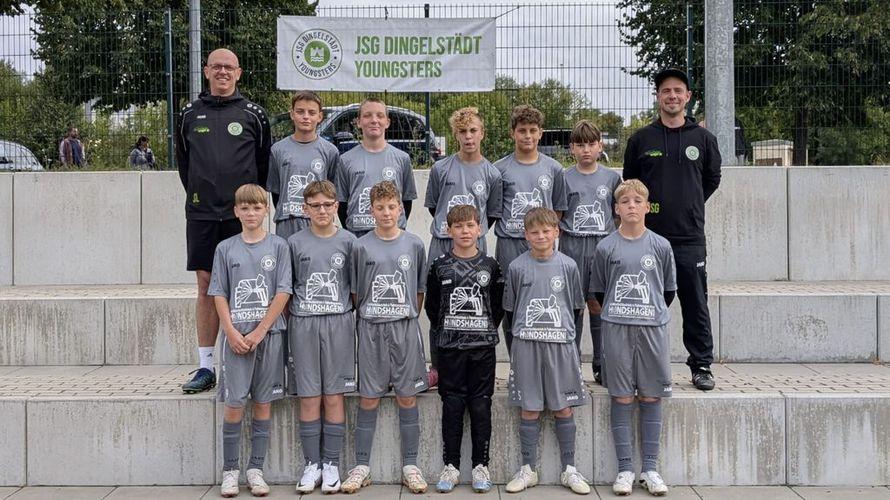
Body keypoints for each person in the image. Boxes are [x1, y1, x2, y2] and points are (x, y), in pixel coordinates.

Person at [176, 47, 272, 394]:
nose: (222, 72)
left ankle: (251, 361)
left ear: (239, 73)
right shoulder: (189, 114)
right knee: (206, 285)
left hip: (243, 216)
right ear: (206, 71)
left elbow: (262, 166)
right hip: (202, 213)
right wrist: (203, 194)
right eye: (216, 66)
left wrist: (248, 206)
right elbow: (184, 165)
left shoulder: (254, 115)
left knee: (248, 282)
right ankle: (206, 367)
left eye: (229, 67)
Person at [623, 68, 721, 391]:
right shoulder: (641, 140)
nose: (672, 96)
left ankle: (701, 365)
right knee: (645, 303)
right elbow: (631, 184)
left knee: (695, 304)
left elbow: (712, 179)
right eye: (666, 91)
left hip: (690, 238)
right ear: (658, 97)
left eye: (678, 90)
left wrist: (690, 204)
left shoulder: (704, 140)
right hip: (649, 238)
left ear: (688, 97)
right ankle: (640, 363)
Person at [589, 179, 676, 496]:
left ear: (647, 206)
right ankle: (625, 469)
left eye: (637, 201)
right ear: (616, 208)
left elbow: (667, 291)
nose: (631, 206)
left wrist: (647, 312)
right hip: (617, 329)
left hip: (651, 329)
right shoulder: (606, 247)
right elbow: (599, 291)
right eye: (625, 202)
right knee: (622, 397)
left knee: (651, 396)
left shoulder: (661, 246)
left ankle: (650, 468)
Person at [341, 180, 429, 494]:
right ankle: (361, 466)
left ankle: (411, 466)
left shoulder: (414, 244)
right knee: (369, 397)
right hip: (371, 329)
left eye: (392, 206)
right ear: (371, 211)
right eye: (380, 208)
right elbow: (355, 292)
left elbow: (419, 290)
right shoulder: (361, 246)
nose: (387, 212)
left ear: (401, 208)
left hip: (403, 328)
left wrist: (405, 313)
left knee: (407, 396)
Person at [207, 184, 292, 498]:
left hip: (268, 336)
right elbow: (218, 293)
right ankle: (230, 471)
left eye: (257, 207)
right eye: (245, 208)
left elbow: (283, 291)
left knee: (263, 403)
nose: (251, 213)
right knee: (234, 404)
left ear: (266, 210)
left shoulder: (279, 246)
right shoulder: (225, 248)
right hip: (236, 338)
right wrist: (230, 332)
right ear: (236, 211)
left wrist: (260, 331)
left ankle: (256, 469)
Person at [502, 207, 590, 495]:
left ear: (556, 232)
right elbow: (510, 311)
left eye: (546, 231)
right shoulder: (517, 267)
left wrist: (567, 341)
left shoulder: (568, 266)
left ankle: (569, 469)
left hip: (559, 346)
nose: (540, 236)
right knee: (530, 408)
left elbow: (575, 309)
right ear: (526, 235)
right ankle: (528, 469)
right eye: (534, 232)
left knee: (563, 407)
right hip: (527, 345)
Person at [425, 204, 504, 494]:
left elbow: (498, 307)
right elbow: (433, 308)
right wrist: (452, 329)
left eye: (470, 225)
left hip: (482, 348)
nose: (465, 231)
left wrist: (480, 329)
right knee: (453, 404)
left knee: (481, 404)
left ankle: (481, 466)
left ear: (479, 229)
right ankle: (451, 466)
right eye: (458, 226)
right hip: (450, 348)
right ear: (449, 231)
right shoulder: (439, 265)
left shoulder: (491, 265)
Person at [286, 180, 357, 494]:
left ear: (336, 206)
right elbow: (287, 289)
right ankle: (311, 464)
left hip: (338, 323)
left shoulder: (349, 241)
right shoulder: (293, 243)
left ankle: (331, 464)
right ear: (305, 209)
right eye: (315, 206)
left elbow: (355, 289)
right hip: (304, 324)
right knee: (309, 396)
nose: (322, 211)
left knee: (334, 396)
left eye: (328, 205)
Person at [423, 106, 502, 371]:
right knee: (439, 306)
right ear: (455, 135)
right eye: (462, 131)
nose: (468, 136)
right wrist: (452, 231)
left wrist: (469, 235)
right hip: (443, 242)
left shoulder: (492, 174)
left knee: (473, 303)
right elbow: (435, 207)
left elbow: (491, 214)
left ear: (482, 133)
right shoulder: (440, 168)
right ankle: (438, 367)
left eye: (473, 130)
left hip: (474, 246)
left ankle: (473, 363)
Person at [494, 105, 567, 353]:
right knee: (511, 302)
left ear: (540, 133)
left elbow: (557, 211)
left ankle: (542, 356)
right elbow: (494, 210)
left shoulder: (554, 169)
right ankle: (516, 359)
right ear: (512, 133)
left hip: (542, 247)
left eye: (532, 130)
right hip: (509, 244)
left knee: (543, 298)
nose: (527, 135)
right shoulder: (499, 169)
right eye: (522, 130)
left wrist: (541, 235)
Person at [558, 120, 621, 383]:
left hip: (601, 248)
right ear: (572, 148)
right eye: (580, 145)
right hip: (572, 247)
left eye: (591, 144)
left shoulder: (612, 178)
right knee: (574, 306)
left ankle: (600, 363)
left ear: (600, 146)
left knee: (598, 304)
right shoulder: (563, 177)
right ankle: (571, 365)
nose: (586, 150)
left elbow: (616, 216)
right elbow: (558, 215)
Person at [335, 98, 417, 238]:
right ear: (358, 122)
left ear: (387, 122)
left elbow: (406, 201)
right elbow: (342, 203)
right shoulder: (345, 160)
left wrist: (393, 226)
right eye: (367, 115)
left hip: (392, 234)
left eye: (380, 116)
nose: (374, 120)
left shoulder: (402, 158)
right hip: (358, 234)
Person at [268, 91, 340, 240]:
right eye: (300, 111)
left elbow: (332, 189)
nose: (306, 116)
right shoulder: (278, 149)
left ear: (320, 116)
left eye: (311, 112)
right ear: (292, 114)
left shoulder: (330, 151)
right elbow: (277, 192)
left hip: (318, 221)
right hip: (288, 220)